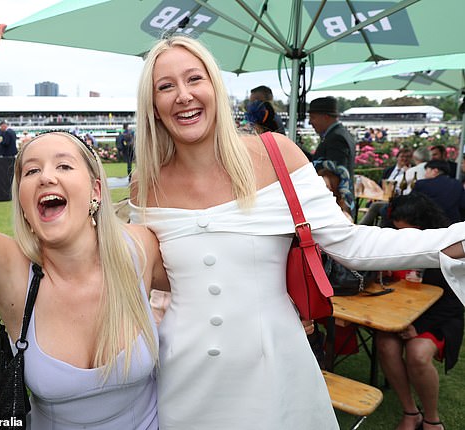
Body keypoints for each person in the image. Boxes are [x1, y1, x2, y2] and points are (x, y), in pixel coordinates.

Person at [129, 34, 465, 429]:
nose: (183, 95)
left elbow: (353, 245)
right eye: (165, 86)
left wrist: (452, 241)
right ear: (152, 105)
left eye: (194, 79)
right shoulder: (145, 184)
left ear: (215, 86)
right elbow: (154, 275)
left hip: (273, 366)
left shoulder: (276, 154)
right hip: (183, 373)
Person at [0, 17, 168, 429]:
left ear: (96, 190)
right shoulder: (12, 275)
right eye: (30, 171)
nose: (47, 176)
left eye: (64, 165)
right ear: (25, 204)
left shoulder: (140, 249)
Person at [376, 193, 464, 430]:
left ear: (425, 226)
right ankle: (410, 411)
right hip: (398, 314)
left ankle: (432, 420)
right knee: (385, 344)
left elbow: (455, 301)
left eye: (409, 232)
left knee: (417, 352)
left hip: (437, 316)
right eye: (398, 231)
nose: (403, 238)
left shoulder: (447, 247)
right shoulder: (390, 241)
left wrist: (418, 327)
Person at [308, 96, 356, 193]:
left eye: (313, 117)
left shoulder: (337, 138)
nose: (310, 122)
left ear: (326, 117)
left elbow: (334, 175)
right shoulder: (337, 134)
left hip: (334, 203)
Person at [413, 159, 465, 225]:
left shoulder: (422, 184)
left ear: (435, 171)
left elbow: (412, 205)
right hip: (452, 225)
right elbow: (463, 205)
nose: (425, 174)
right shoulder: (457, 184)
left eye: (427, 171)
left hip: (429, 224)